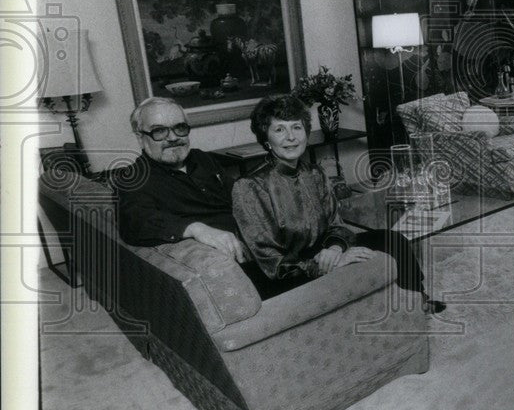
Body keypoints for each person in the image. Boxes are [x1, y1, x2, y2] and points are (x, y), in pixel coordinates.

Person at [232, 94, 445, 312]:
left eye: (296, 127)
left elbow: (336, 224)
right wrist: (329, 262)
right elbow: (271, 262)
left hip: (321, 249)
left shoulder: (314, 173)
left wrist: (335, 248)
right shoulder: (249, 186)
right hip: (284, 270)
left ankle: (418, 297)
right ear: (266, 139)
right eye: (279, 130)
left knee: (392, 238)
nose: (290, 137)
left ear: (305, 132)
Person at [117, 97, 247, 262]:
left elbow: (238, 193)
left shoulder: (202, 158)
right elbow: (135, 223)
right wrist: (195, 229)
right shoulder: (133, 178)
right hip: (228, 256)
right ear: (140, 138)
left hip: (255, 239)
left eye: (179, 128)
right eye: (159, 131)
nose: (172, 138)